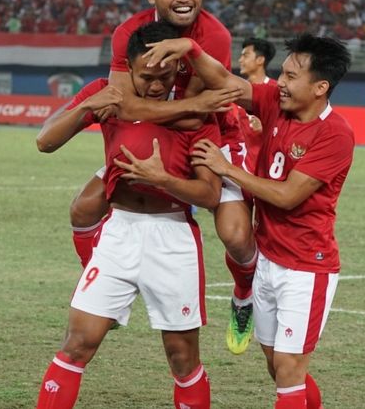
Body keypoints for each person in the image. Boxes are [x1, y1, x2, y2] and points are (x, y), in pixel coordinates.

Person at [144, 34, 354, 408]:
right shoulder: (276, 102)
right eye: (283, 74)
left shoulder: (335, 133)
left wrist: (227, 169)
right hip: (268, 261)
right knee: (280, 367)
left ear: (321, 87)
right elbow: (228, 83)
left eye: (291, 77)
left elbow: (288, 196)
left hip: (306, 268)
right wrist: (193, 50)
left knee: (289, 369)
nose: (282, 83)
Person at [66, 0, 259, 356]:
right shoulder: (128, 34)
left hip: (213, 132)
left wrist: (176, 110)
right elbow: (124, 107)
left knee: (237, 236)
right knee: (84, 208)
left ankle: (243, 296)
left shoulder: (215, 36)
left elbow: (196, 117)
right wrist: (148, 115)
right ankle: (102, 281)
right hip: (157, 132)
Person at [35, 21, 221, 409]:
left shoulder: (195, 111)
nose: (156, 85)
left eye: (165, 76)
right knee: (76, 345)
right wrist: (87, 106)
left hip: (172, 238)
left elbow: (209, 194)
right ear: (128, 68)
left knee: (182, 358)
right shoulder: (108, 96)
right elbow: (45, 141)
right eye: (146, 77)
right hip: (118, 232)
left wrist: (164, 179)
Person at [237, 37, 278, 172]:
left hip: (266, 166)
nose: (240, 60)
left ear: (260, 60)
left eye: (245, 55)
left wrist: (267, 128)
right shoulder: (238, 90)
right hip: (240, 163)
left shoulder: (277, 91)